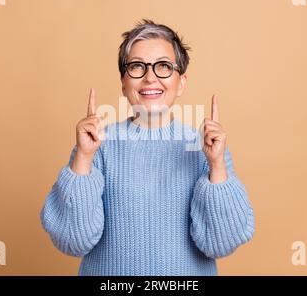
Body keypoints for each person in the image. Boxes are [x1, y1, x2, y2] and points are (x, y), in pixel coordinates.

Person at [40, 19, 255, 275]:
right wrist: (84, 158)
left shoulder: (207, 149)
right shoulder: (96, 145)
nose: (150, 77)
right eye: (137, 67)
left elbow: (222, 243)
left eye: (163, 66)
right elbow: (72, 241)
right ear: (123, 83)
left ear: (181, 83)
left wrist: (217, 164)